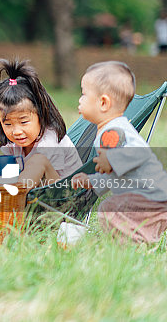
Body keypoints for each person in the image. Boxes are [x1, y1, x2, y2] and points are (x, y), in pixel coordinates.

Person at [71, 61, 167, 243]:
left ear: (103, 102)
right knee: (112, 210)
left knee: (111, 210)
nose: (80, 99)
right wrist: (90, 181)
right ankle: (133, 248)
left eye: (84, 94)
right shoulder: (110, 130)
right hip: (154, 197)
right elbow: (115, 177)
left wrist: (112, 158)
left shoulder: (113, 132)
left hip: (150, 196)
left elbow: (140, 154)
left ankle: (131, 249)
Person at [0, 59, 82, 187]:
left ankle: (15, 198)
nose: (16, 131)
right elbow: (8, 176)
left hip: (67, 198)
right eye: (8, 124)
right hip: (38, 196)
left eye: (24, 121)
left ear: (41, 115)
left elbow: (53, 187)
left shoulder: (49, 142)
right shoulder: (13, 145)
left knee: (38, 161)